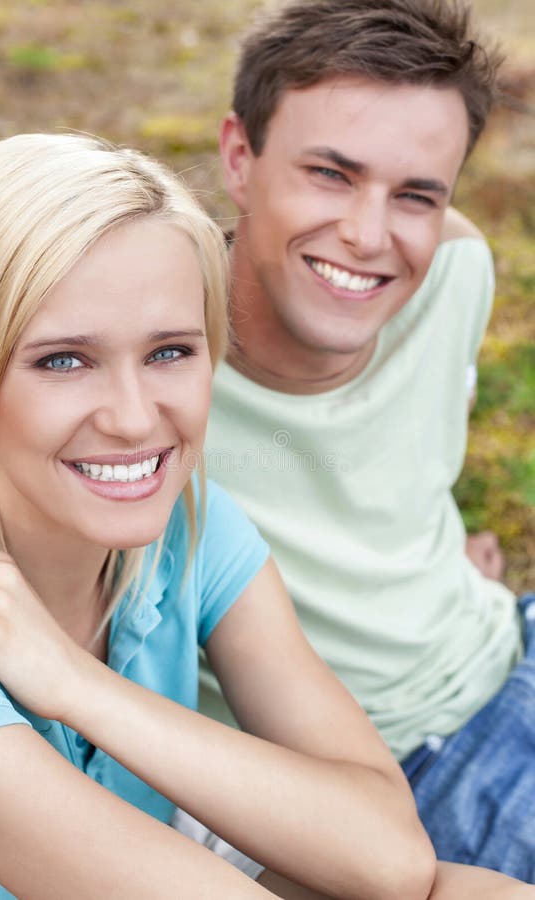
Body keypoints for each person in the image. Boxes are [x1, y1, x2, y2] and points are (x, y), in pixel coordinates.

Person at [0, 133, 533, 900]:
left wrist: (70, 679)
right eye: (63, 360)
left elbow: (390, 856)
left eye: (169, 353)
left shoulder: (188, 525)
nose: (132, 418)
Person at [198, 0, 535, 882]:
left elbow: (406, 460)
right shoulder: (143, 363)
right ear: (240, 157)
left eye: (416, 194)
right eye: (330, 174)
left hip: (504, 643)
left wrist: (427, 558)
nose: (370, 234)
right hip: (387, 775)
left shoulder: (455, 271)